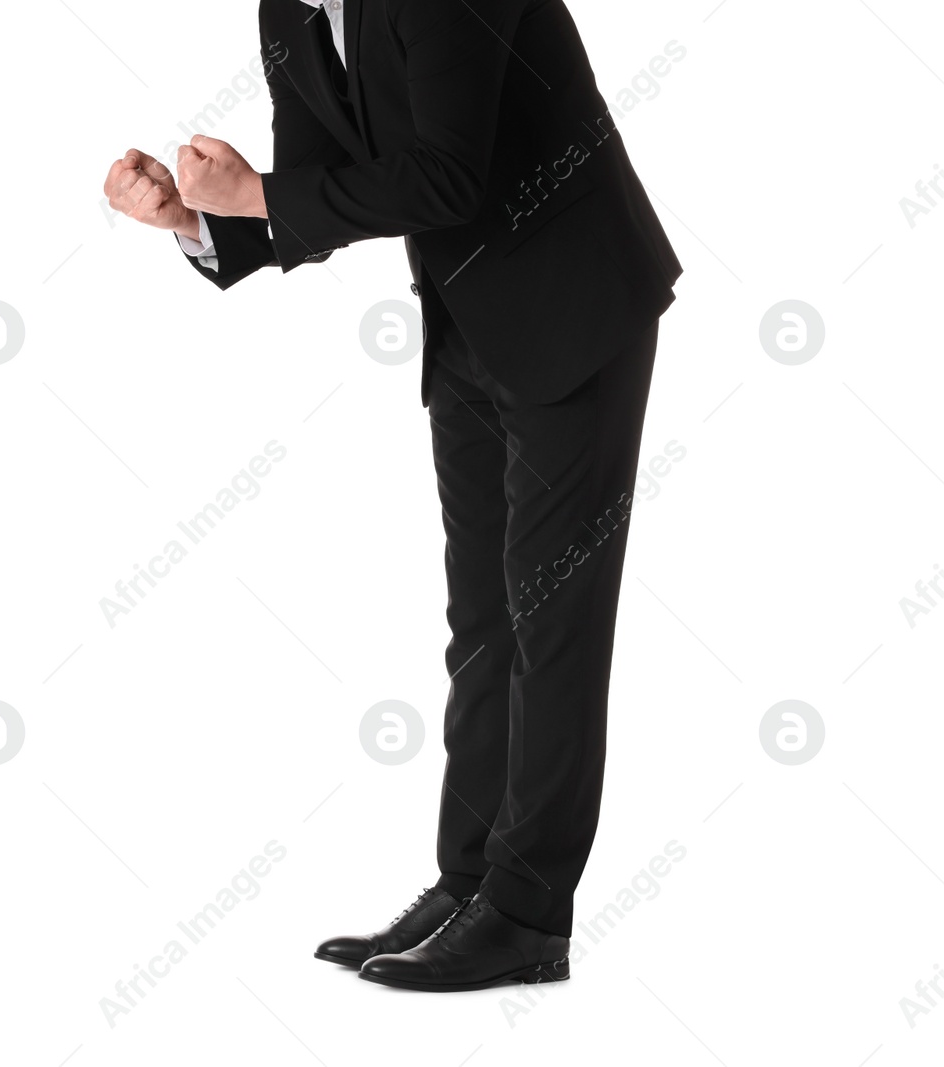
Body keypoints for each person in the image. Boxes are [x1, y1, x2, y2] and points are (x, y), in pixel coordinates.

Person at [102, 0, 682, 992]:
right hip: (466, 322)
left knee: (553, 623)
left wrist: (259, 189)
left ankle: (527, 913)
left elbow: (446, 176)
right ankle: (470, 887)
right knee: (485, 624)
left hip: (572, 305)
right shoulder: (286, 9)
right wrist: (196, 219)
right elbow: (322, 191)